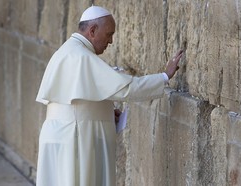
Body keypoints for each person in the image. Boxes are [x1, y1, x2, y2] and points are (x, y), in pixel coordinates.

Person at [35, 5, 183, 186]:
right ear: (92, 30)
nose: (111, 41)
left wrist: (103, 110)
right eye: (108, 34)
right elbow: (127, 88)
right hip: (75, 139)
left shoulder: (68, 51)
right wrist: (164, 76)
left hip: (64, 135)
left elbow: (76, 102)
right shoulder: (81, 56)